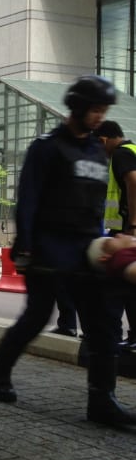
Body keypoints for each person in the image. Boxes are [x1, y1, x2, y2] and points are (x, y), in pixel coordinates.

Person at [0, 75, 135, 427]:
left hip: (86, 248)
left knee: (102, 324)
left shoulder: (97, 150)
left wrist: (107, 241)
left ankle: (102, 401)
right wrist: (26, 246)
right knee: (38, 316)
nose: (100, 116)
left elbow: (96, 202)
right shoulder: (47, 147)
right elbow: (29, 199)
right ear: (78, 108)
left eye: (104, 111)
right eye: (95, 109)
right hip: (49, 248)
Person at [95, 119, 136, 347]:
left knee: (124, 287)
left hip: (126, 230)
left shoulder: (121, 154)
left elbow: (133, 183)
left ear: (103, 140)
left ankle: (128, 336)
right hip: (125, 230)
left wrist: (132, 225)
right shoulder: (133, 149)